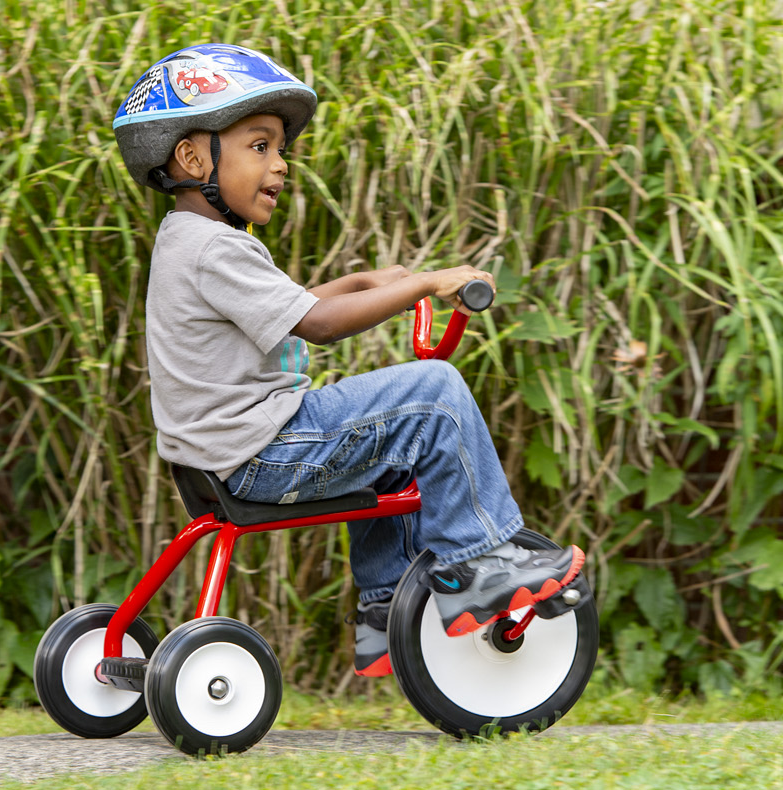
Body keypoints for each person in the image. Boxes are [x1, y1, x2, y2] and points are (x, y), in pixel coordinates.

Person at [113, 44, 583, 678]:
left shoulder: (190, 241)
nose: (280, 166)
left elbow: (293, 307)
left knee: (391, 460)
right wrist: (424, 284)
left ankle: (386, 613)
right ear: (194, 158)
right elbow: (319, 325)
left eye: (281, 150)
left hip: (218, 456)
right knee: (435, 393)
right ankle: (482, 563)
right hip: (261, 451)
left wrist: (364, 280)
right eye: (260, 147)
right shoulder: (214, 248)